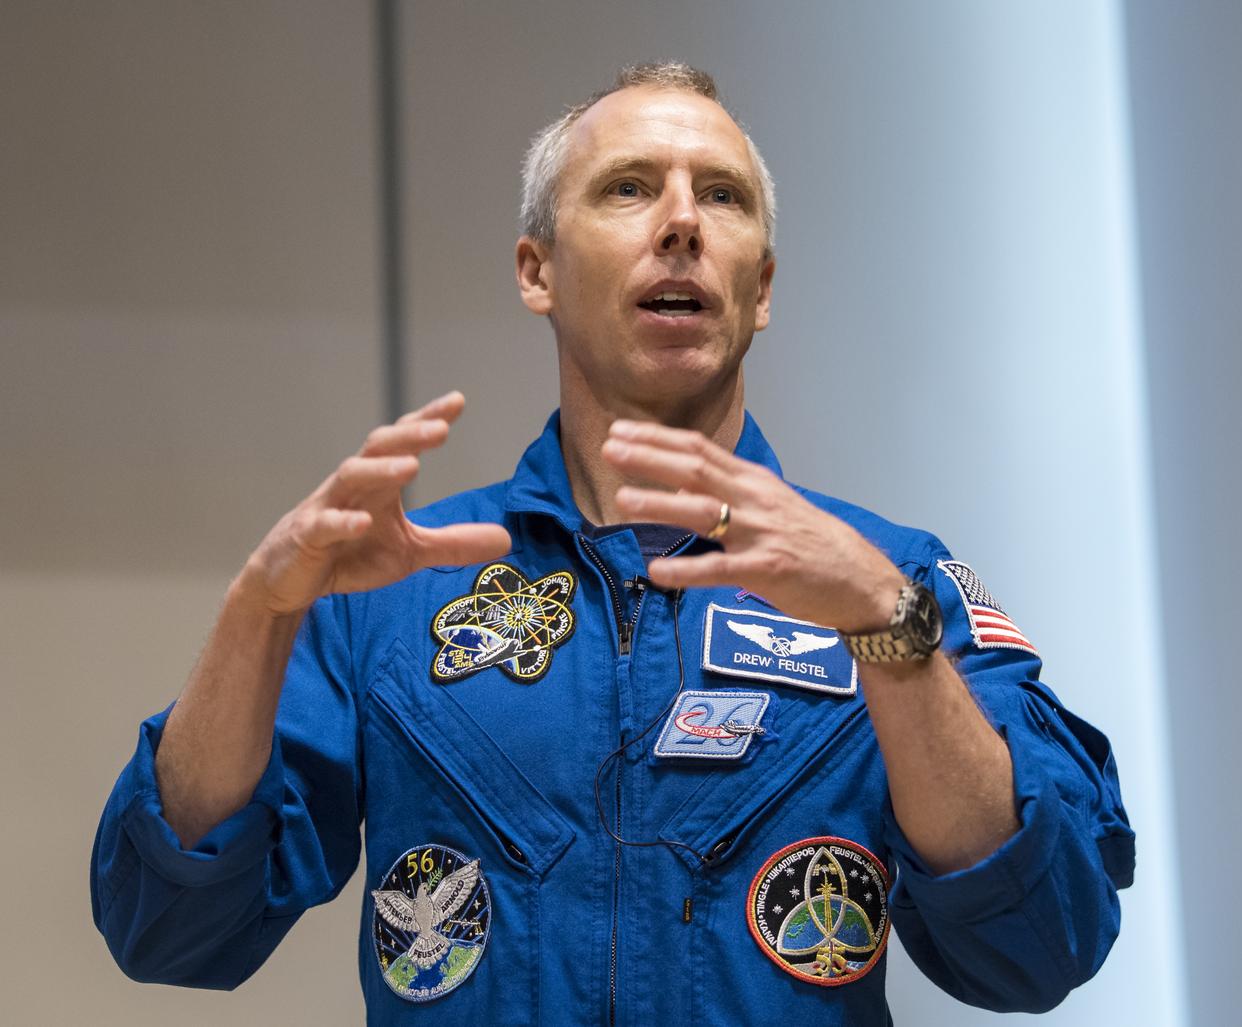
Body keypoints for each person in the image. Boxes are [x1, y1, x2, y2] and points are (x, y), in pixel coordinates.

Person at [92, 63, 1134, 1024]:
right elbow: (170, 925)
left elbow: (1041, 944)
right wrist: (257, 615)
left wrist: (887, 635)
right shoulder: (395, 591)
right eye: (629, 188)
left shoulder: (891, 582)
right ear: (536, 269)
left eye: (721, 196)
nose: (681, 221)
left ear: (761, 288)